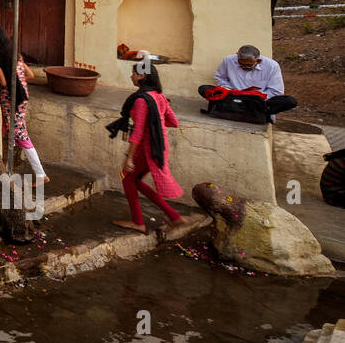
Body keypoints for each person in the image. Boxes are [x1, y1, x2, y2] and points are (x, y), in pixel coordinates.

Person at [113, 63, 187, 232]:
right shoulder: (159, 97)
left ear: (141, 76)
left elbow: (138, 132)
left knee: (127, 177)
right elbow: (173, 122)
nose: (131, 76)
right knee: (134, 180)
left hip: (148, 148)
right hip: (160, 146)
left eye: (133, 73)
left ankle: (139, 222)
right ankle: (174, 216)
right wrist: (155, 122)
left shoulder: (140, 100)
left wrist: (129, 157)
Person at [0, 24, 47, 184]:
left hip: (10, 99)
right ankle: (1, 165)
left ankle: (40, 175)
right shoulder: (14, 54)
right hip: (22, 97)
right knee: (11, 131)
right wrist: (18, 81)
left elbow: (2, 82)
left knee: (20, 135)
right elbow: (30, 75)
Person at [197, 44, 298, 122]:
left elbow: (276, 91)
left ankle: (249, 111)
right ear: (237, 56)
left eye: (248, 65)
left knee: (290, 101)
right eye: (241, 64)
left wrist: (257, 98)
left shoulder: (272, 66)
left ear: (258, 61)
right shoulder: (228, 60)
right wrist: (228, 90)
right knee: (204, 88)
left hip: (256, 102)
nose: (244, 67)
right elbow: (220, 78)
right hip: (233, 97)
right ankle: (245, 112)